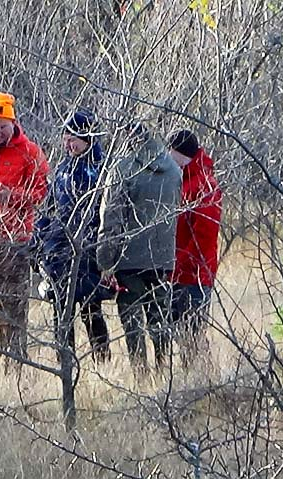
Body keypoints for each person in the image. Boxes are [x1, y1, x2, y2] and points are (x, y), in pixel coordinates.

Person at [97, 123, 181, 370]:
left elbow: (110, 220)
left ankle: (141, 376)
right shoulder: (174, 169)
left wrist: (105, 262)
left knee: (133, 325)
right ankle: (164, 373)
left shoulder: (122, 170)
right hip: (163, 260)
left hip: (129, 260)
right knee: (160, 321)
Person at [0, 92, 49, 360]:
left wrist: (11, 197)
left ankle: (14, 370)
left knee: (12, 314)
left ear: (13, 124)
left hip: (14, 243)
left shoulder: (31, 153)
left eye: (1, 126)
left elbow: (40, 195)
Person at [35, 109, 113, 362]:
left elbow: (108, 212)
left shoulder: (101, 170)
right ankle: (64, 363)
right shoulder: (62, 170)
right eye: (66, 138)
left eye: (74, 139)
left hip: (90, 250)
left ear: (87, 139)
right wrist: (40, 238)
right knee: (61, 311)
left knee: (92, 310)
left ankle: (102, 360)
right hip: (59, 252)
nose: (69, 144)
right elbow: (49, 207)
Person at [166, 130, 222, 357]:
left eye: (172, 153)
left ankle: (204, 379)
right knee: (179, 333)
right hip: (177, 274)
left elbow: (204, 237)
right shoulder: (180, 180)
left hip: (195, 276)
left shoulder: (205, 185)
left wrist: (179, 264)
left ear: (181, 153)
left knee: (192, 335)